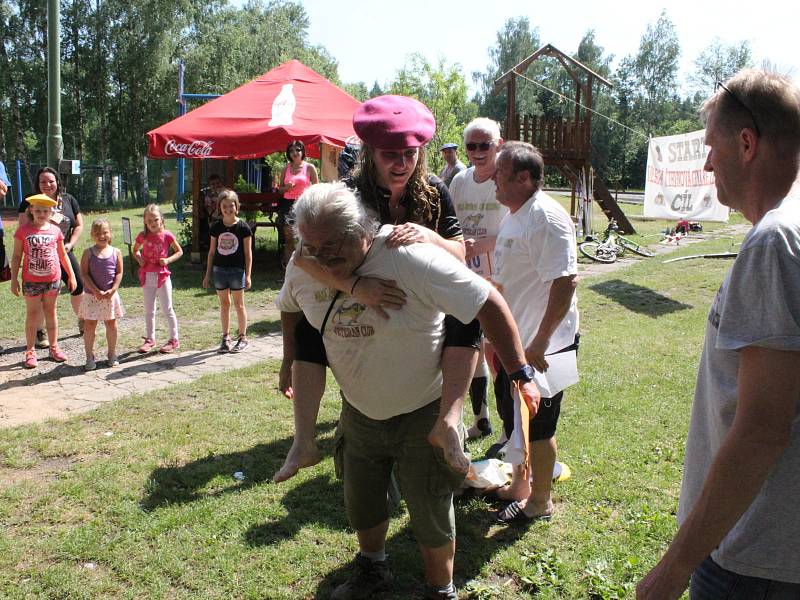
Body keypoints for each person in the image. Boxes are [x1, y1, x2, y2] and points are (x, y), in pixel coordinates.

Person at [277, 182, 539, 600]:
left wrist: (519, 371)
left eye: (332, 247)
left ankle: (441, 589)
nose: (322, 258)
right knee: (362, 502)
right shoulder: (305, 262)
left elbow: (486, 301)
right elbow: (290, 307)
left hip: (422, 410)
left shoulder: (408, 258)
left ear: (362, 230)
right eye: (312, 247)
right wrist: (288, 359)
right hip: (359, 411)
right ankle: (373, 567)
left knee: (430, 509)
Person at [637, 70, 800, 600]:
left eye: (712, 147)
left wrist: (674, 567)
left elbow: (761, 431)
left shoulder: (774, 243)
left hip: (753, 554)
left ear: (747, 143)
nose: (706, 164)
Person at [274, 95, 477, 484]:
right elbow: (304, 255)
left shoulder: (434, 190)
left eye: (410, 153)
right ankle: (305, 441)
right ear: (369, 153)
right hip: (363, 297)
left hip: (421, 301)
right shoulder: (347, 193)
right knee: (307, 331)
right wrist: (354, 285)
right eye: (390, 154)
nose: (401, 164)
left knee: (466, 316)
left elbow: (461, 254)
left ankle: (449, 420)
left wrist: (427, 236)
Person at [489, 141, 579, 524]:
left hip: (545, 345)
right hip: (516, 341)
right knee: (515, 417)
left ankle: (540, 501)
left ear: (523, 178)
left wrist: (540, 341)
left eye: (499, 174)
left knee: (540, 425)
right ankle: (520, 485)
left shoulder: (545, 217)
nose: (492, 180)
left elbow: (565, 281)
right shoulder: (515, 213)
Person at [448, 118, 508, 441]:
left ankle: (509, 432)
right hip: (466, 277)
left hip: (500, 279)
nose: (478, 152)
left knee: (498, 351)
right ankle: (481, 419)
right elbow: (451, 225)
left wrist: (481, 244)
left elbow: (516, 232)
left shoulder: (507, 181)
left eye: (485, 145)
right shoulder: (459, 181)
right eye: (471, 146)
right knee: (472, 346)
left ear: (500, 143)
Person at [18, 167, 85, 341]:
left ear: (57, 182)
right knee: (40, 297)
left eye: (51, 181)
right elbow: (23, 232)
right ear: (37, 184)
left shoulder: (69, 199)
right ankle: (40, 332)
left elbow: (79, 224)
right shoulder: (28, 202)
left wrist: (70, 243)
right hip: (39, 258)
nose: (47, 185)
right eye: (43, 182)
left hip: (64, 252)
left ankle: (83, 320)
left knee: (77, 286)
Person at [10, 194, 76, 368]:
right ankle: (30, 351)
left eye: (45, 211)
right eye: (37, 210)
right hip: (31, 282)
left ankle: (54, 347)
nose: (41, 213)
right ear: (31, 210)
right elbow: (17, 256)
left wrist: (72, 275)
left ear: (51, 211)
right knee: (32, 315)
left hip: (52, 281)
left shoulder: (55, 231)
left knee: (51, 313)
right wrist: (13, 279)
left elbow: (63, 255)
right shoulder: (23, 231)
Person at [202, 190, 253, 353]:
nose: (228, 209)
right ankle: (225, 337)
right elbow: (211, 252)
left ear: (236, 207)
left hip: (237, 271)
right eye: (224, 206)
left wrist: (249, 274)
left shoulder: (243, 227)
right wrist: (207, 274)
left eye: (231, 206)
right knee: (224, 304)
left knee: (239, 304)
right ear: (220, 208)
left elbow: (248, 253)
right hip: (219, 270)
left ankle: (243, 337)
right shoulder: (216, 227)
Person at [133, 204, 182, 354]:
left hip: (162, 276)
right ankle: (150, 339)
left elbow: (179, 251)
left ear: (162, 219)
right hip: (148, 276)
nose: (153, 223)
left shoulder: (167, 235)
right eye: (149, 221)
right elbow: (135, 250)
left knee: (167, 308)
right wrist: (139, 259)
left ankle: (174, 339)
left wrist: (167, 260)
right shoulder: (143, 236)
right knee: (149, 310)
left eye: (155, 219)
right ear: (145, 222)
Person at [79, 218, 124, 371]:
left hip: (110, 296)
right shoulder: (88, 253)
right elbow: (84, 274)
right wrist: (96, 291)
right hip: (92, 297)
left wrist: (113, 289)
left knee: (111, 324)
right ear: (92, 234)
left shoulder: (116, 252)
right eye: (98, 233)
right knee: (90, 325)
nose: (102, 236)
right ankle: (89, 356)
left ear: (110, 233)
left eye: (105, 232)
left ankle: (112, 354)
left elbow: (119, 272)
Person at [277, 140, 318, 267]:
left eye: (298, 150)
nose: (295, 153)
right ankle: (289, 268)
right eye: (291, 151)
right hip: (287, 204)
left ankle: (307, 267)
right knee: (289, 238)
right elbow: (280, 190)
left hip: (304, 203)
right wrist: (286, 188)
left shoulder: (310, 167)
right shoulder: (286, 168)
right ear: (288, 154)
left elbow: (317, 188)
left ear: (302, 152)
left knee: (305, 237)